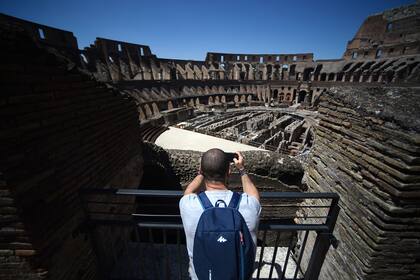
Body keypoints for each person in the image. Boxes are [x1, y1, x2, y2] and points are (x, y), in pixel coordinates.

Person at [179, 149, 261, 280]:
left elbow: (189, 191)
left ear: (202, 171)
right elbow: (254, 195)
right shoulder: (247, 204)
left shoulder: (188, 204)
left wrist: (201, 173)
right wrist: (242, 170)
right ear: (228, 171)